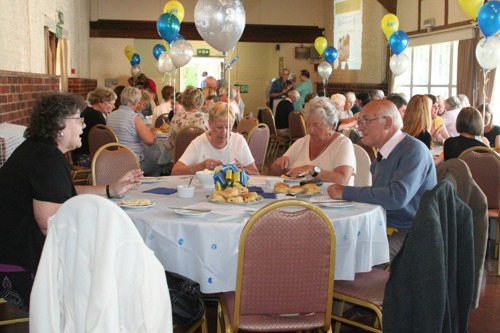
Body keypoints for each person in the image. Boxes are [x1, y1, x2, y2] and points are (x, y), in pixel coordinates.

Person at [0, 93, 143, 310]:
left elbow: (62, 193)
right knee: (111, 274)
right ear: (60, 125)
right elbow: (49, 222)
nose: (84, 126)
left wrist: (109, 189)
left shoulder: (39, 149)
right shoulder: (45, 158)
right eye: (79, 119)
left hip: (15, 252)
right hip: (20, 265)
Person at [327, 99, 436, 260]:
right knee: (329, 246)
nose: (360, 127)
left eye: (366, 121)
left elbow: (395, 197)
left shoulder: (413, 150)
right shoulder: (384, 154)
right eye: (359, 121)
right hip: (383, 224)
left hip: (410, 232)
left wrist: (345, 192)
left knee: (347, 257)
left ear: (388, 123)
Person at [271, 97, 356, 185]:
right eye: (308, 125)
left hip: (332, 197)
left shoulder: (343, 144)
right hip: (301, 196)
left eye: (316, 125)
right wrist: (279, 164)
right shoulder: (302, 142)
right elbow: (276, 172)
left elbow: (342, 180)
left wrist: (312, 170)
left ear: (331, 125)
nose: (311, 130)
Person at [171, 102, 259, 175]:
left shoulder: (239, 141)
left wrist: (243, 171)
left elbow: (256, 173)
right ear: (210, 124)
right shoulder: (199, 142)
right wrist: (201, 166)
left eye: (228, 127)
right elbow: (175, 172)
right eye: (219, 127)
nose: (224, 132)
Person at [106, 86, 161, 176]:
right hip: (132, 161)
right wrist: (153, 131)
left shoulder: (110, 116)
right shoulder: (134, 117)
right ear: (135, 101)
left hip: (114, 160)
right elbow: (150, 141)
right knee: (157, 166)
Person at [71, 87, 117, 167]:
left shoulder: (87, 111)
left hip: (77, 155)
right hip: (87, 157)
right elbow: (104, 141)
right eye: (111, 103)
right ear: (100, 102)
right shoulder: (96, 115)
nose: (113, 107)